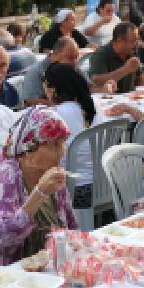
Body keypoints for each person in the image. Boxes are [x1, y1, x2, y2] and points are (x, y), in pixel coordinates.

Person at [0, 107, 75, 267]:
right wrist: (39, 194)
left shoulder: (52, 174)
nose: (62, 152)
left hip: (49, 267)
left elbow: (71, 226)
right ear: (28, 152)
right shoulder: (7, 175)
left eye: (62, 143)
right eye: (54, 144)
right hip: (10, 275)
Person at [43, 63, 97, 208]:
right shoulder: (94, 107)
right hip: (103, 185)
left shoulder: (54, 115)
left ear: (52, 89)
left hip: (75, 191)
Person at [22, 36, 80, 106]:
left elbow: (89, 87)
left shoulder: (73, 67)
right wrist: (60, 105)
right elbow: (30, 101)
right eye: (70, 58)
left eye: (76, 57)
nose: (74, 62)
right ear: (55, 55)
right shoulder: (36, 72)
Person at [88, 21, 144, 94]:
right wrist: (125, 70)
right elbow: (96, 81)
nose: (137, 44)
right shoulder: (101, 54)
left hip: (132, 100)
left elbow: (140, 78)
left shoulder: (132, 51)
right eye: (133, 41)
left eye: (137, 40)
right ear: (119, 40)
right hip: (111, 101)